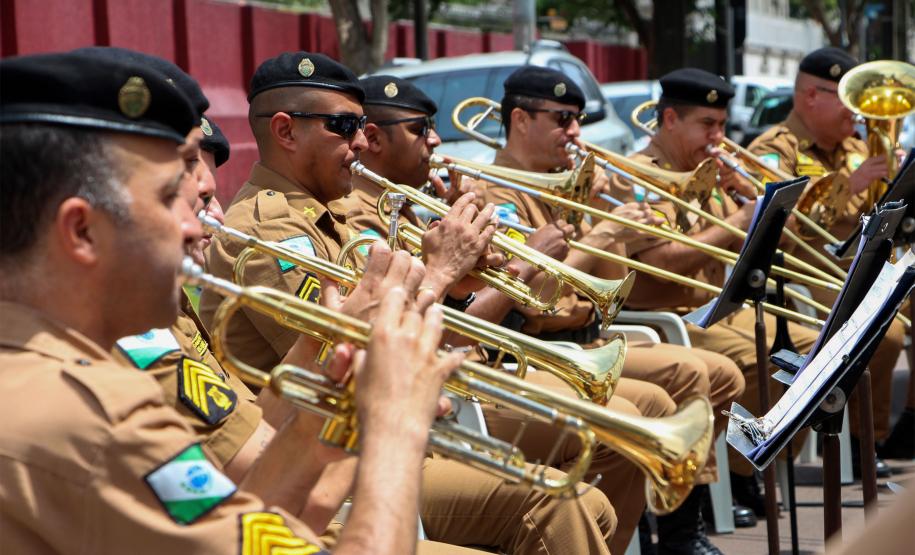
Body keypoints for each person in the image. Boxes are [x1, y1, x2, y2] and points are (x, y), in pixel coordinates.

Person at [0, 50, 459, 554]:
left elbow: (252, 532)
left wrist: (326, 417)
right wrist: (394, 428)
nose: (196, 225)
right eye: (168, 197)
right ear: (82, 231)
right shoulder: (101, 419)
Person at [201, 52, 618, 554]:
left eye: (362, 126)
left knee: (591, 500)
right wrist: (442, 274)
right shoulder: (266, 231)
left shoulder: (332, 214)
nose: (361, 141)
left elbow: (410, 319)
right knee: (561, 504)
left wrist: (462, 282)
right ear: (286, 132)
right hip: (336, 460)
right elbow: (350, 359)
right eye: (345, 126)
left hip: (395, 429)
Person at [469, 66, 746, 553]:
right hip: (540, 346)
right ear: (520, 120)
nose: (576, 132)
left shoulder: (566, 185)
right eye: (563, 119)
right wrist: (602, 235)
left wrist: (614, 215)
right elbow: (534, 301)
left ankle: (669, 528)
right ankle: (640, 539)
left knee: (717, 376)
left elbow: (615, 280)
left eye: (577, 119)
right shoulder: (496, 195)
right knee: (675, 384)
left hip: (589, 338)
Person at [606, 67, 825, 518]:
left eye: (723, 125)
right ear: (670, 120)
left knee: (817, 353)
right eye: (707, 124)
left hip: (716, 309)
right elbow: (664, 264)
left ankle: (747, 466)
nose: (719, 138)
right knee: (763, 358)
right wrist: (737, 222)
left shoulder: (710, 172)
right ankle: (728, 482)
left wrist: (754, 202)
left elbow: (784, 243)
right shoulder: (638, 176)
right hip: (669, 317)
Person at [748, 47, 910, 464]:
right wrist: (851, 186)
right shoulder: (774, 151)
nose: (856, 112)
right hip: (808, 274)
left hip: (864, 267)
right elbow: (775, 230)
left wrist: (897, 182)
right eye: (846, 99)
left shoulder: (856, 146)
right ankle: (861, 442)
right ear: (810, 96)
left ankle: (908, 422)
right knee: (887, 330)